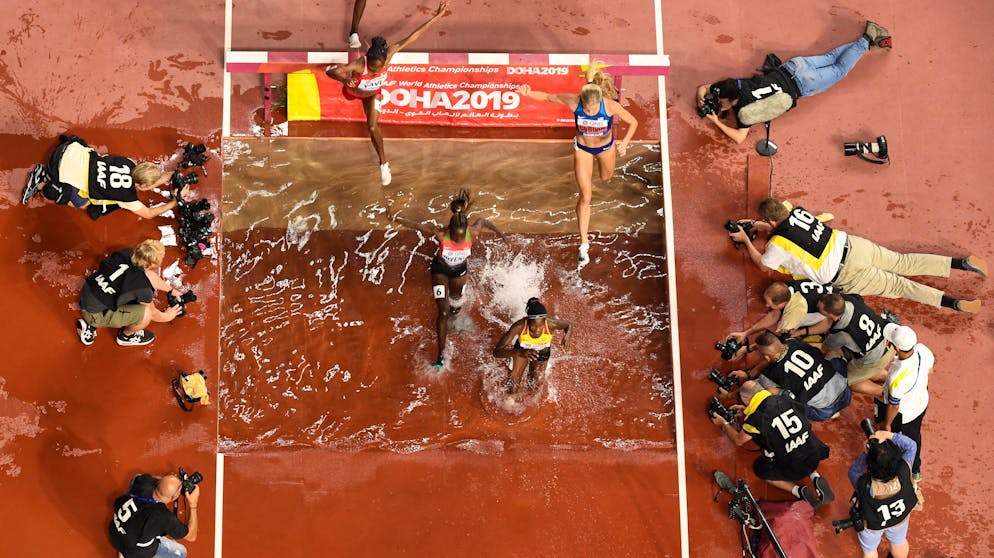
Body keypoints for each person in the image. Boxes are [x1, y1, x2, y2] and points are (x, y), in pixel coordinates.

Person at [728, 198, 986, 312]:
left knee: (900, 286)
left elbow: (763, 265)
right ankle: (961, 264)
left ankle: (955, 303)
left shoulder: (776, 245)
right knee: (904, 261)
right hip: (854, 246)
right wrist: (759, 225)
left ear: (770, 221)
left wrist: (745, 240)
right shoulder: (796, 211)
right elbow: (784, 224)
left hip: (846, 273)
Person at [516, 66, 638, 267]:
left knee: (606, 178)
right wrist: (528, 94)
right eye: (587, 110)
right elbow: (547, 97)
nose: (589, 112)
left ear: (599, 101)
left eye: (592, 110)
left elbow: (633, 122)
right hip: (582, 149)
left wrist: (624, 143)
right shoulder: (574, 101)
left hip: (606, 148)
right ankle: (584, 244)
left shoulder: (609, 105)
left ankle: (602, 172)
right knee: (586, 195)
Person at [697, 21, 892, 144]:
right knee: (831, 56)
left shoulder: (746, 112)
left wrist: (715, 121)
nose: (718, 102)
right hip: (793, 66)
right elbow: (703, 88)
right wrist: (703, 98)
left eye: (721, 102)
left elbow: (740, 138)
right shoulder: (733, 85)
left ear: (732, 102)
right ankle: (866, 42)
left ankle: (867, 39)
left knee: (839, 70)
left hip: (804, 84)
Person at [326, 1, 449, 186]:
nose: (376, 71)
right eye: (373, 69)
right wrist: (343, 80)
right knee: (349, 90)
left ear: (385, 59)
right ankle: (353, 35)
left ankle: (384, 164)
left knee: (372, 126)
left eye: (379, 68)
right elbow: (332, 72)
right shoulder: (360, 64)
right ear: (368, 60)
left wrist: (436, 17)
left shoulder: (389, 54)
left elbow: (412, 36)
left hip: (373, 94)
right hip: (353, 91)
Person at [389, 189, 505, 368]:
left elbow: (484, 221)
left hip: (459, 272)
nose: (459, 239)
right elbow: (416, 225)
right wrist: (394, 218)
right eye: (455, 236)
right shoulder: (441, 234)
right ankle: (441, 355)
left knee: (455, 305)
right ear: (450, 230)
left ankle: (455, 318)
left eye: (461, 236)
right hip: (440, 271)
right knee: (442, 312)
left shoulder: (472, 231)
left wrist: (503, 236)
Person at [711, 380, 834, 508]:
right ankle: (814, 476)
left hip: (797, 465)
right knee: (801, 443)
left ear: (747, 401)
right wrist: (748, 410)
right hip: (815, 450)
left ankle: (798, 491)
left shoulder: (756, 419)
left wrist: (723, 424)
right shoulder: (783, 399)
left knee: (761, 469)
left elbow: (739, 440)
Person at [21, 135, 190, 220]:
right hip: (55, 169)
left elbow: (107, 156)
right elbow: (149, 214)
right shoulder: (127, 198)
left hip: (67, 148)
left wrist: (172, 175)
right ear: (142, 185)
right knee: (85, 204)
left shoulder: (129, 162)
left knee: (93, 157)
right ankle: (42, 182)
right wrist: (175, 202)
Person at [76, 239, 184, 347]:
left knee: (126, 290)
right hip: (93, 314)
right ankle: (126, 337)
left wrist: (171, 290)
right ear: (152, 263)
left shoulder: (125, 253)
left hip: (87, 291)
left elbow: (147, 274)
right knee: (146, 314)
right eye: (162, 256)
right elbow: (154, 314)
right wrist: (168, 316)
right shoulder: (143, 288)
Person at [732, 332, 852, 421]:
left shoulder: (767, 378)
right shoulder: (794, 342)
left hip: (824, 411)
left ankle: (829, 412)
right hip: (846, 393)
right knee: (833, 358)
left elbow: (754, 389)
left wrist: (740, 383)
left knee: (776, 394)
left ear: (766, 357)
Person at [847, 430, 919, 558]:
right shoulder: (905, 469)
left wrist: (866, 452)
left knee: (869, 550)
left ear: (870, 464)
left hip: (873, 523)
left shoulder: (864, 484)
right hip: (899, 518)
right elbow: (911, 446)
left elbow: (854, 470)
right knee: (899, 542)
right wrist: (888, 435)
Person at [809, 293, 893, 397]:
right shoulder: (851, 300)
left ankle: (888, 394)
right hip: (889, 342)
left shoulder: (841, 334)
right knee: (870, 369)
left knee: (848, 382)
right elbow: (858, 297)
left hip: (875, 358)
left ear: (829, 314)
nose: (817, 307)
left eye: (819, 308)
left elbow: (825, 348)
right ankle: (893, 381)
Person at [879, 324, 932, 481]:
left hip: (904, 415)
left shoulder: (897, 377)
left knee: (900, 443)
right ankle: (915, 469)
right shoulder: (923, 350)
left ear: (897, 348)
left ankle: (909, 472)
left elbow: (894, 406)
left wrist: (888, 425)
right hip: (921, 403)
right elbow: (931, 371)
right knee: (915, 436)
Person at [109, 472, 200, 558]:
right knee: (181, 552)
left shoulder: (142, 482)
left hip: (115, 533)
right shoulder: (163, 516)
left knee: (138, 476)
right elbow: (191, 536)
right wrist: (193, 505)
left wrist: (168, 480)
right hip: (134, 552)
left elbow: (150, 478)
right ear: (174, 497)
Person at [492, 297, 572, 394]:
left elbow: (568, 325)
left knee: (534, 387)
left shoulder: (551, 324)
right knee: (512, 387)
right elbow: (496, 352)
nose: (537, 330)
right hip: (521, 351)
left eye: (541, 326)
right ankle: (510, 404)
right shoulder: (519, 326)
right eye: (533, 326)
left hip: (542, 352)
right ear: (527, 320)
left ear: (545, 321)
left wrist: (567, 336)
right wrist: (519, 352)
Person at [728, 280, 834, 344]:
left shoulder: (795, 312)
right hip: (827, 294)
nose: (766, 306)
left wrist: (749, 348)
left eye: (769, 304)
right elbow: (774, 315)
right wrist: (746, 333)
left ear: (782, 303)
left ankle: (801, 331)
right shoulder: (784, 288)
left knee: (785, 336)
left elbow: (777, 340)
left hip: (823, 313)